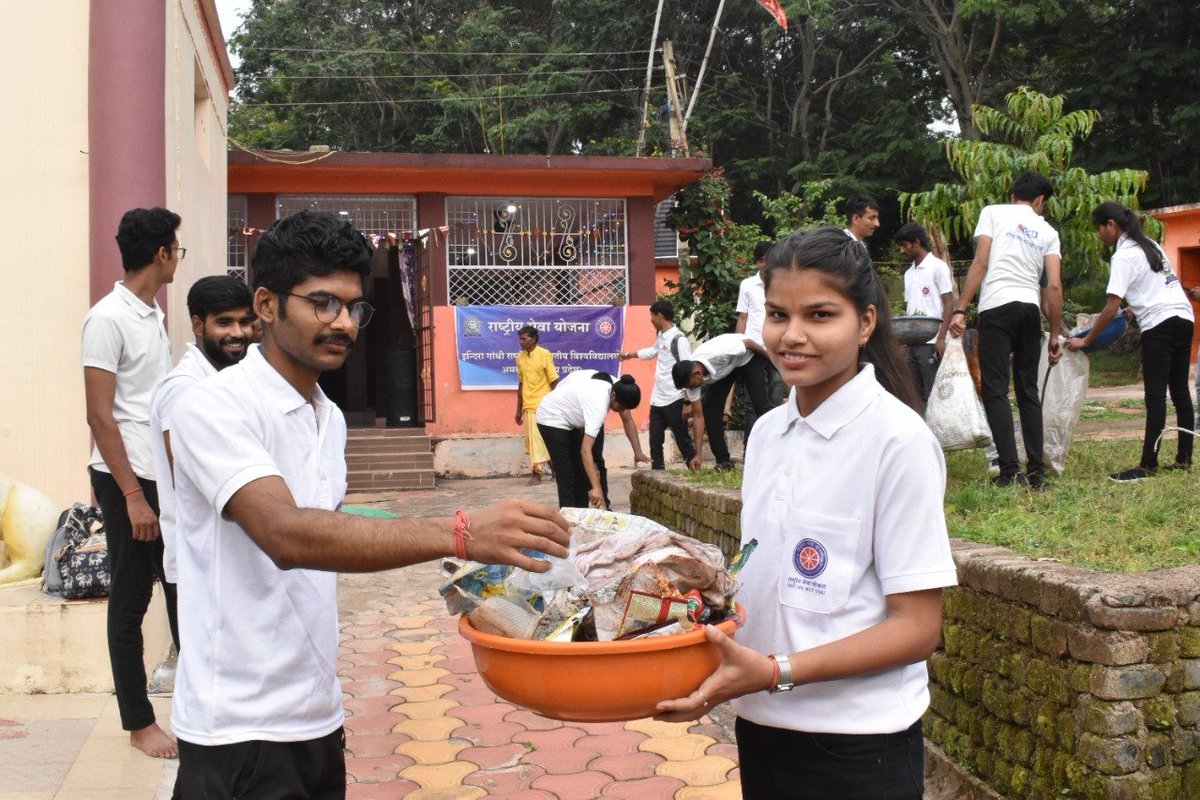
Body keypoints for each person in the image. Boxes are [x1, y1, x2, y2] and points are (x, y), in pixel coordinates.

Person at [166, 211, 570, 798]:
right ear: (267, 305)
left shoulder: (324, 416)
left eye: (355, 307)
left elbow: (328, 533)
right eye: (323, 303)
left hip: (317, 713)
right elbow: (287, 535)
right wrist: (460, 532)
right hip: (237, 730)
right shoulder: (213, 407)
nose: (344, 323)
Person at [654, 227, 957, 798]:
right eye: (776, 314)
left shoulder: (898, 441)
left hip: (859, 743)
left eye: (820, 315)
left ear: (865, 323)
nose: (791, 336)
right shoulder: (768, 432)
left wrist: (775, 671)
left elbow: (918, 628)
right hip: (762, 726)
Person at [81, 207, 182, 759]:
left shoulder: (152, 314)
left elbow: (153, 407)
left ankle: (196, 706)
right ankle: (139, 722)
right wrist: (133, 496)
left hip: (160, 479)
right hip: (126, 482)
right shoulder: (107, 318)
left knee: (179, 588)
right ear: (161, 254)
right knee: (131, 601)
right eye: (176, 249)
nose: (176, 258)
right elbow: (101, 417)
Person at [949, 171, 1063, 489]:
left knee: (996, 390)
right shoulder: (1047, 231)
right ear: (1039, 200)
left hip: (996, 308)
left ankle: (1010, 471)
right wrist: (1054, 335)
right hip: (1029, 311)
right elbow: (1053, 285)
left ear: (1014, 194)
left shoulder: (992, 213)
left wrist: (961, 309)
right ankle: (1037, 473)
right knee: (1027, 390)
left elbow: (980, 263)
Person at [1066, 202, 1195, 481]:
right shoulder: (1150, 245)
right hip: (1183, 317)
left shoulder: (1123, 255)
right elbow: (1151, 287)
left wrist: (1087, 339)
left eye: (1099, 229)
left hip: (1159, 325)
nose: (1099, 235)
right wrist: (1131, 309)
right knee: (1180, 391)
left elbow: (1111, 306)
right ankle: (1184, 458)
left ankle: (1148, 465)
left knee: (1156, 395)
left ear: (1111, 225)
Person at [149, 276, 255, 591]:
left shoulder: (233, 381)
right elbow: (187, 475)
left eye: (244, 322)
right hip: (201, 563)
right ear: (198, 325)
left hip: (234, 559)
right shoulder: (184, 387)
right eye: (224, 322)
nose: (238, 333)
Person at [536, 370, 649, 509]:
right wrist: (596, 488)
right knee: (566, 474)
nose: (622, 410)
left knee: (582, 472)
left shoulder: (619, 387)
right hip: (551, 418)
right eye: (621, 407)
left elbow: (627, 419)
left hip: (573, 417)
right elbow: (585, 450)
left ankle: (583, 514)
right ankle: (568, 520)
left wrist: (637, 452)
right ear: (613, 395)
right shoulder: (598, 405)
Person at [619, 300, 698, 470]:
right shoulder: (661, 336)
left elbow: (688, 370)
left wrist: (686, 402)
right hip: (658, 398)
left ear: (660, 315)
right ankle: (658, 473)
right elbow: (651, 351)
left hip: (674, 397)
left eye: (652, 316)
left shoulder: (679, 340)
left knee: (682, 437)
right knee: (655, 439)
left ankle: (694, 469)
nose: (651, 320)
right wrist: (629, 355)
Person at [671, 333, 768, 471]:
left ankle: (774, 454)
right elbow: (699, 416)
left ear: (697, 374)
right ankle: (724, 462)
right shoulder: (691, 379)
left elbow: (749, 343)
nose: (692, 390)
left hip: (749, 356)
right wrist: (698, 455)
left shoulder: (717, 354)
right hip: (727, 369)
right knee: (710, 412)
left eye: (692, 386)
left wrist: (772, 362)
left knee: (760, 408)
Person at [894, 222, 954, 402]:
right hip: (912, 342)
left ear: (916, 243)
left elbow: (949, 301)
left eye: (904, 245)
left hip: (932, 341)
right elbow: (909, 307)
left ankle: (935, 428)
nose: (902, 250)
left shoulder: (938, 267)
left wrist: (942, 337)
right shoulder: (908, 274)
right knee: (914, 390)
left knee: (932, 390)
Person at [735, 240, 784, 436]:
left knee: (776, 397)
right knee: (751, 402)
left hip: (778, 348)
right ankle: (751, 450)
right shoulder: (747, 285)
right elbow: (743, 317)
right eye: (769, 259)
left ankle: (775, 446)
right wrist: (738, 345)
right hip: (753, 349)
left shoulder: (781, 283)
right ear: (760, 262)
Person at [514, 325, 559, 485]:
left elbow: (554, 380)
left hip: (543, 404)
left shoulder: (544, 354)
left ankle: (536, 474)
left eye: (524, 339)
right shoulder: (520, 358)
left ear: (533, 339)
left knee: (538, 440)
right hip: (528, 406)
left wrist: (555, 404)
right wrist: (518, 409)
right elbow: (521, 384)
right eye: (520, 339)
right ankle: (556, 470)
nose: (521, 342)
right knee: (537, 441)